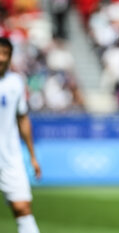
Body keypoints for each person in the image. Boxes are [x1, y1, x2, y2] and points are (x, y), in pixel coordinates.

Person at [0, 37, 41, 233]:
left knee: (22, 208)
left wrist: (32, 156)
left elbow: (22, 119)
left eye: (5, 54)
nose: (0, 58)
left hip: (9, 157)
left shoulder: (15, 82)